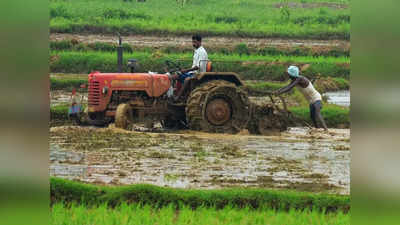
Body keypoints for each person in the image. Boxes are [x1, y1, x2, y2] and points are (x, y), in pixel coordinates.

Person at [274, 65, 328, 131]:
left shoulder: (300, 79)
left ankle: (326, 130)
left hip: (316, 98)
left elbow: (289, 88)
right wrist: (278, 90)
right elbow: (287, 86)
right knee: (312, 116)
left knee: (317, 112)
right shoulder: (294, 80)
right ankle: (317, 129)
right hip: (310, 101)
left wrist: (279, 92)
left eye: (288, 74)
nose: (287, 75)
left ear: (292, 74)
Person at [173, 34, 208, 101]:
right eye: (193, 42)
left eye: (195, 42)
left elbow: (197, 67)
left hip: (199, 74)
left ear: (200, 42)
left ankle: (178, 97)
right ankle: (173, 92)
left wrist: (186, 70)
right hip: (192, 72)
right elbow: (194, 65)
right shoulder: (196, 51)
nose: (193, 44)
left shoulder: (202, 52)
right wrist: (185, 70)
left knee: (187, 79)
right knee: (176, 75)